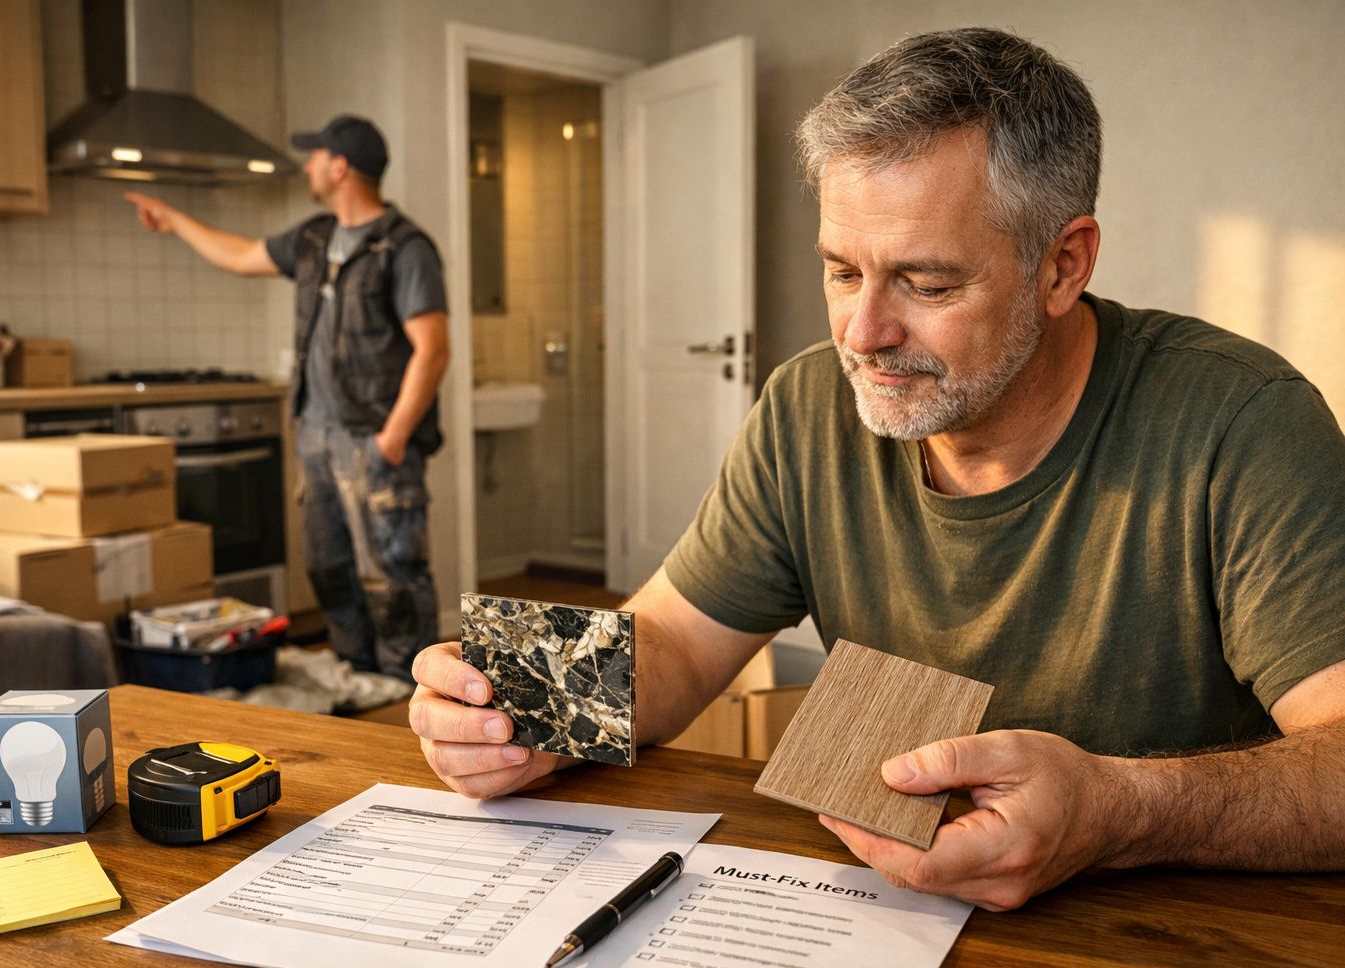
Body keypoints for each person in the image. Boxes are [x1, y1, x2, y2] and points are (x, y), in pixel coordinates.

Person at [408, 28, 1345, 911]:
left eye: (929, 285)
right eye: (842, 271)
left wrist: (1119, 811)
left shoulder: (1241, 422)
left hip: (1174, 949)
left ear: (1064, 266)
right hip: (879, 913)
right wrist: (523, 711)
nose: (864, 335)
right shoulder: (808, 407)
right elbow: (681, 645)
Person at [126, 115, 448, 682]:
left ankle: (411, 693)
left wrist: (393, 438)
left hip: (371, 441)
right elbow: (241, 254)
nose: (307, 166)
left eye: (315, 155)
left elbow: (433, 350)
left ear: (340, 166)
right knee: (329, 571)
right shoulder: (313, 238)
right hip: (316, 437)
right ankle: (360, 683)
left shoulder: (405, 248)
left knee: (392, 577)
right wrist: (175, 221)